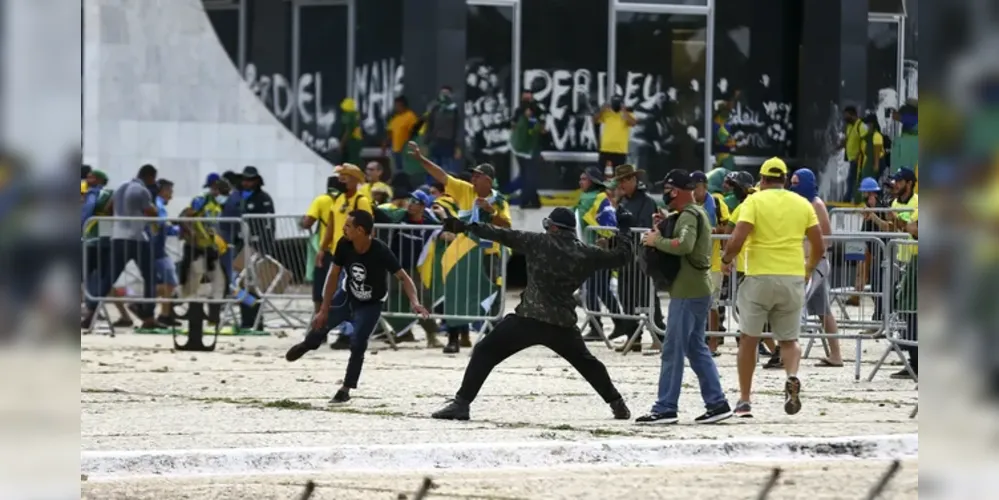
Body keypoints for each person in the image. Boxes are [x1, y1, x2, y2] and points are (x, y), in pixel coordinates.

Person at [430, 206, 637, 421]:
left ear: (553, 226)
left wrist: (465, 226)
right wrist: (624, 229)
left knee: (484, 351)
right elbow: (622, 257)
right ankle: (617, 404)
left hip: (528, 319)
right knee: (588, 364)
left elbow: (500, 234)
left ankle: (461, 404)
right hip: (562, 324)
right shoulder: (586, 252)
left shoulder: (538, 241)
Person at [286, 210, 430, 403]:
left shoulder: (380, 250)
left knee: (358, 344)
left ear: (360, 230)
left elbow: (404, 277)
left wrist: (415, 302)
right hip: (347, 296)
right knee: (319, 327)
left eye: (347, 226)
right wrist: (323, 309)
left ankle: (345, 389)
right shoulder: (344, 245)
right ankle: (308, 344)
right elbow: (333, 276)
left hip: (370, 304)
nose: (343, 229)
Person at [721, 157, 825, 418]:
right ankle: (791, 375)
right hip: (792, 276)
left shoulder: (754, 201)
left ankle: (744, 400)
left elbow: (737, 237)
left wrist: (726, 260)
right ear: (785, 179)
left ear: (763, 179)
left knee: (748, 339)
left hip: (759, 277)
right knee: (789, 340)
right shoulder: (802, 204)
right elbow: (819, 244)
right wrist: (808, 269)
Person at [635, 170, 731, 424]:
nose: (665, 193)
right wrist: (665, 225)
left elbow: (685, 245)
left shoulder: (689, 214)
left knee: (673, 349)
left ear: (675, 190)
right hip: (695, 289)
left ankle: (665, 407)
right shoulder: (692, 213)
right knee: (695, 348)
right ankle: (717, 403)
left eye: (667, 189)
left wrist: (657, 241)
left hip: (688, 292)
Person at [408, 142, 511, 353]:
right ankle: (455, 338)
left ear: (488, 180)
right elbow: (442, 175)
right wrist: (420, 159)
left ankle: (490, 340)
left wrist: (491, 211)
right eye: (472, 176)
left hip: (488, 253)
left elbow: (507, 225)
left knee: (489, 295)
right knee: (456, 293)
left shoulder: (499, 200)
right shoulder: (465, 191)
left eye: (477, 176)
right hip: (462, 252)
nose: (472, 179)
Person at [82, 164, 162, 329]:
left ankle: (91, 313)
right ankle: (148, 316)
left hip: (118, 237)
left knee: (108, 278)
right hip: (138, 239)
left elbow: (108, 208)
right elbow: (151, 212)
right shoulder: (142, 191)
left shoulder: (120, 187)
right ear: (150, 177)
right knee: (150, 277)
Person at [316, 163, 374, 349]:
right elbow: (331, 227)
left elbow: (368, 229)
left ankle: (349, 334)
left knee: (349, 295)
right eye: (340, 176)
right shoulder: (338, 199)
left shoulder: (361, 200)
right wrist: (322, 248)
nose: (341, 179)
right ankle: (346, 332)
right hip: (339, 254)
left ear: (355, 179)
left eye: (345, 176)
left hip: (355, 254)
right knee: (341, 295)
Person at [789, 168, 842, 367]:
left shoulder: (816, 204)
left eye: (796, 182)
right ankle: (836, 355)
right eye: (791, 182)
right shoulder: (800, 204)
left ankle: (787, 350)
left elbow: (826, 238)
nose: (792, 186)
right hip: (807, 262)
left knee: (796, 303)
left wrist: (810, 262)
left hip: (815, 264)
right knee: (824, 312)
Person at [609, 164, 664, 351]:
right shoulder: (622, 202)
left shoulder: (646, 201)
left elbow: (644, 226)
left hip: (642, 257)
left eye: (625, 180)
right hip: (625, 258)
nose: (621, 184)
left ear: (634, 180)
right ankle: (633, 337)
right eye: (619, 181)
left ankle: (659, 336)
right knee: (626, 298)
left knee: (648, 297)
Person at [576, 167, 623, 341]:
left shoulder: (601, 198)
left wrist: (605, 242)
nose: (580, 182)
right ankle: (603, 325)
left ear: (593, 181)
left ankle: (613, 323)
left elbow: (609, 225)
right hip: (587, 252)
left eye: (584, 179)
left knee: (598, 289)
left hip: (600, 253)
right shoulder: (584, 199)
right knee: (594, 290)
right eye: (580, 178)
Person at [177, 175, 231, 325]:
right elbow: (184, 217)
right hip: (196, 249)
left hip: (209, 249)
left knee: (219, 283)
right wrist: (191, 233)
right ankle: (174, 307)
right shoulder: (202, 200)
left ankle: (213, 320)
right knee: (193, 285)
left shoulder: (217, 204)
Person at [693, 170, 730, 355]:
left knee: (712, 304)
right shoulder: (689, 205)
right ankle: (696, 339)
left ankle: (713, 342)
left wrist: (715, 230)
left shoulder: (716, 203)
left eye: (696, 187)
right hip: (693, 261)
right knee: (693, 302)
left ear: (705, 186)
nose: (693, 191)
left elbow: (727, 228)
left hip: (713, 261)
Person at [150, 178, 181, 326]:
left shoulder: (158, 204)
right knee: (170, 283)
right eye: (169, 191)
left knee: (167, 283)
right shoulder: (158, 204)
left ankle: (165, 314)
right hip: (157, 250)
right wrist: (181, 229)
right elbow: (162, 225)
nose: (171, 196)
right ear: (162, 191)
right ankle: (141, 303)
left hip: (157, 248)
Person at [511, 89, 546, 208]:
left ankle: (530, 200)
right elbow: (514, 127)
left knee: (530, 176)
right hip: (522, 150)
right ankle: (530, 200)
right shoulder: (519, 113)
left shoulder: (538, 111)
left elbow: (542, 129)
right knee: (527, 175)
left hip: (532, 149)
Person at [421, 86, 462, 174]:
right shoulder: (435, 108)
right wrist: (425, 143)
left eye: (446, 93)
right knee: (433, 169)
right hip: (435, 143)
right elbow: (429, 126)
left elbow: (458, 128)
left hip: (448, 144)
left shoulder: (455, 110)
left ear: (451, 95)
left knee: (448, 170)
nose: (444, 95)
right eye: (442, 93)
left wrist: (458, 146)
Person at [383, 95, 420, 183]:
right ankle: (399, 185)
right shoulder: (396, 118)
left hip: (405, 149)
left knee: (405, 170)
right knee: (396, 170)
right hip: (395, 148)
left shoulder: (410, 116)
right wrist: (385, 143)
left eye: (398, 105)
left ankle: (407, 186)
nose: (396, 107)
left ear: (403, 105)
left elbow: (415, 132)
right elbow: (390, 132)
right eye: (395, 105)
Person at [594, 95, 636, 171]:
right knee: (599, 173)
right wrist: (601, 110)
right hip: (606, 148)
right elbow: (595, 120)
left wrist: (624, 111)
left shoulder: (627, 114)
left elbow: (633, 123)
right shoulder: (607, 113)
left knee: (618, 176)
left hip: (620, 150)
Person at [841, 106, 868, 203]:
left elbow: (864, 141)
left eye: (847, 116)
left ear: (853, 115)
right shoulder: (849, 126)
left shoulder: (861, 126)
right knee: (851, 179)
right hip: (851, 158)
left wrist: (859, 155)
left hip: (858, 159)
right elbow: (848, 139)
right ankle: (850, 197)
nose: (845, 118)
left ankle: (849, 198)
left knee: (852, 179)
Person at [339, 98, 364, 166]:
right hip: (358, 140)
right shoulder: (356, 114)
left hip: (352, 141)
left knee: (351, 162)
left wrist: (342, 143)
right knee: (356, 160)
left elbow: (348, 131)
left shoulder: (349, 115)